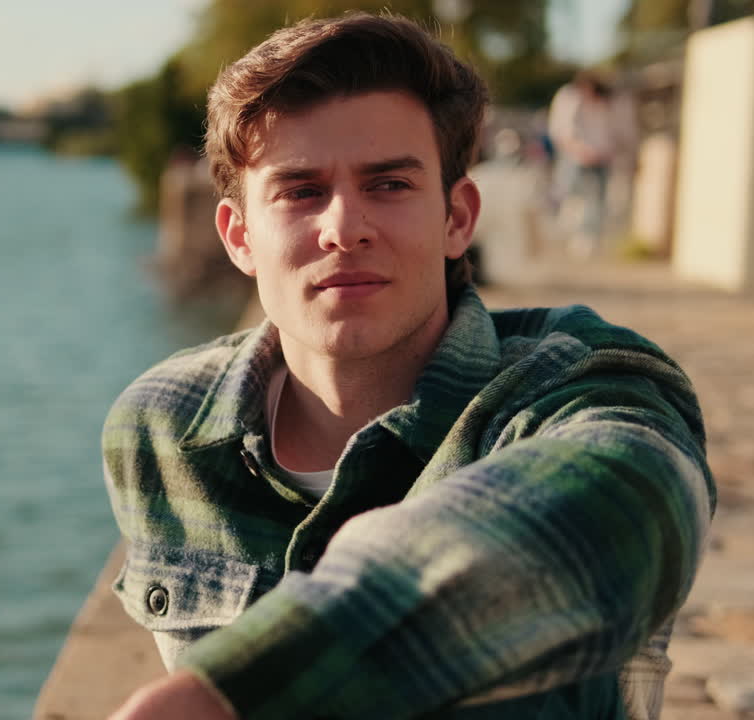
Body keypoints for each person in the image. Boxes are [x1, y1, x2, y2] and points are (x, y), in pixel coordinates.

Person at [101, 12, 713, 720]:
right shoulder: (161, 429)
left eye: (388, 184)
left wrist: (234, 693)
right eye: (300, 191)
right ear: (239, 238)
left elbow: (630, 506)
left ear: (458, 219)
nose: (344, 228)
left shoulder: (580, 385)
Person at [546, 70, 635, 258]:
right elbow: (560, 130)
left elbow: (623, 134)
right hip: (574, 158)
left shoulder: (614, 102)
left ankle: (588, 239)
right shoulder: (569, 97)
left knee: (597, 201)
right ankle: (564, 230)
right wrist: (579, 150)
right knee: (569, 193)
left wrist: (609, 153)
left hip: (603, 159)